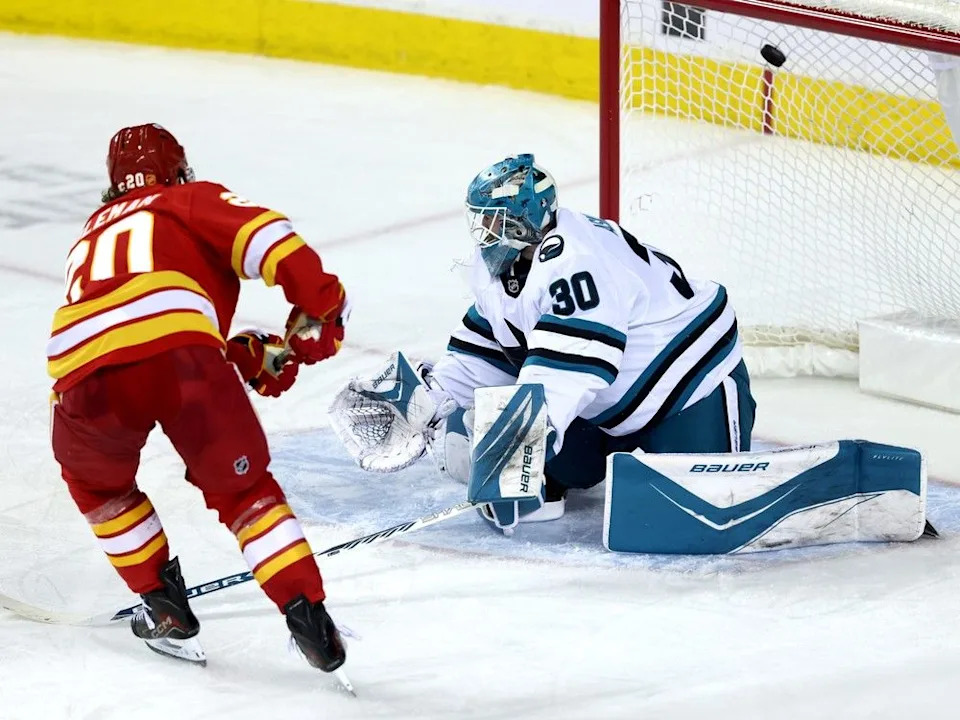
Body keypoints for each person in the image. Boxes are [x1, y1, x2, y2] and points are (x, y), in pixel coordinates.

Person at [47, 124, 349, 671]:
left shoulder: (89, 234)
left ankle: (163, 604)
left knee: (96, 484)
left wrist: (244, 357)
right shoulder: (185, 198)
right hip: (181, 357)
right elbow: (270, 240)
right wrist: (320, 303)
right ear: (178, 170)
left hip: (81, 374)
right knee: (245, 494)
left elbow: (125, 329)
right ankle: (303, 605)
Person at [422, 153, 756, 532]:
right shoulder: (497, 268)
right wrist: (428, 398)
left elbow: (571, 368)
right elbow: (491, 349)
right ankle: (554, 470)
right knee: (545, 457)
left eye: (493, 220)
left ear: (522, 223)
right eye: (479, 218)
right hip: (601, 405)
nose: (483, 230)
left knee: (703, 507)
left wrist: (526, 433)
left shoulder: (577, 262)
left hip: (683, 387)